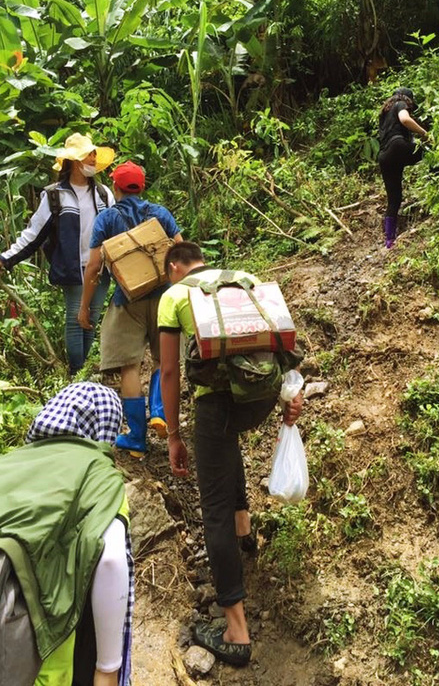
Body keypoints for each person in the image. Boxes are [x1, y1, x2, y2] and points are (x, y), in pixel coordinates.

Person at [158, 241, 304, 667]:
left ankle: (236, 630)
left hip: (216, 404)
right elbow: (281, 344)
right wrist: (291, 397)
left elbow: (168, 370)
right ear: (203, 260)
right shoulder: (245, 280)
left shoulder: (173, 295)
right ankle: (245, 534)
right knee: (228, 450)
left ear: (174, 268)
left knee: (213, 508)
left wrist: (173, 434)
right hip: (259, 398)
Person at [0, 382, 134, 686]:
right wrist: (107, 668)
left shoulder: (0, 466)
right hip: (38, 661)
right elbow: (111, 561)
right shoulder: (97, 473)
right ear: (105, 429)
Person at [78, 160, 183, 456]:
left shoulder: (107, 219)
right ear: (142, 186)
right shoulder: (160, 214)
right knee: (164, 360)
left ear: (115, 187)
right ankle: (160, 412)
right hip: (164, 297)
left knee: (129, 366)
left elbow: (95, 267)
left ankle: (137, 437)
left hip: (128, 301)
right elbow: (181, 251)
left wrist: (85, 307)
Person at [0, 133, 116, 375]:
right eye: (88, 154)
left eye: (93, 154)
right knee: (75, 318)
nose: (93, 158)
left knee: (91, 318)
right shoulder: (55, 195)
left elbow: (117, 227)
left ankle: (84, 372)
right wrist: (7, 259)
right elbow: (34, 233)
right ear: (74, 161)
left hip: (101, 267)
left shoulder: (103, 194)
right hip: (72, 266)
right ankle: (77, 373)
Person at [377, 88, 429, 249]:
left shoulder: (384, 114)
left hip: (384, 156)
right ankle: (437, 181)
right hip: (397, 146)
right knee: (431, 154)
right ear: (407, 99)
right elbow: (405, 120)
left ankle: (389, 241)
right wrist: (424, 133)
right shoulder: (400, 104)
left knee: (394, 199)